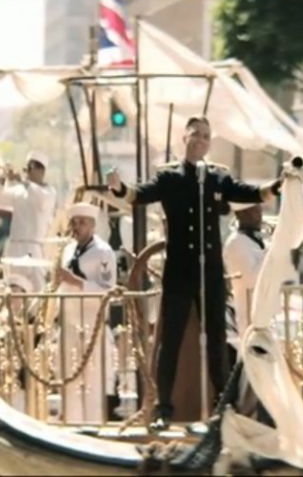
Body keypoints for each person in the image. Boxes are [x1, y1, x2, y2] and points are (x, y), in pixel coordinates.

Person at [107, 116, 283, 430]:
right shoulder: (169, 177)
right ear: (184, 138)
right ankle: (164, 408)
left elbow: (248, 193)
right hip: (179, 271)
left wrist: (277, 186)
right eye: (195, 134)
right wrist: (119, 188)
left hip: (210, 271)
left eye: (205, 136)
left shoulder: (216, 177)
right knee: (170, 340)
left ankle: (223, 406)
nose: (200, 140)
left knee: (217, 338)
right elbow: (139, 195)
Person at [54, 202, 118, 424]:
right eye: (75, 222)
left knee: (93, 379)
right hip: (70, 322)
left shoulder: (103, 252)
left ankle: (93, 423)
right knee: (70, 376)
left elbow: (108, 290)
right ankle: (72, 421)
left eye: (82, 223)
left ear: (92, 225)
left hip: (93, 324)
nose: (77, 227)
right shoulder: (68, 250)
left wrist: (78, 282)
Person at [0, 151, 58, 291]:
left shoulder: (49, 192)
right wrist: (3, 177)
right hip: (14, 247)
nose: (27, 172)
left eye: (30, 168)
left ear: (40, 171)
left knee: (37, 289)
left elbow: (40, 200)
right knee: (12, 286)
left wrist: (22, 180)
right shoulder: (19, 190)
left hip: (34, 247)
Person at [223, 202, 267, 350]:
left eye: (260, 210)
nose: (260, 216)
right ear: (241, 214)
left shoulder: (254, 239)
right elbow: (250, 280)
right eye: (254, 211)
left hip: (264, 314)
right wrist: (272, 251)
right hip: (249, 318)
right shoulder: (236, 243)